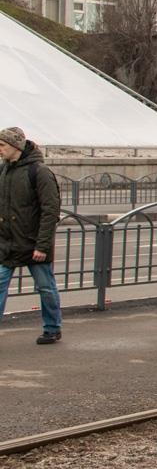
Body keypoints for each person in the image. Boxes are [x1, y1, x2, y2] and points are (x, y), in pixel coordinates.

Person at [0, 127, 63, 344]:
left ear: (15, 146)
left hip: (33, 244)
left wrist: (42, 246)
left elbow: (50, 211)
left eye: (2, 145)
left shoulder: (39, 171)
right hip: (7, 244)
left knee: (45, 287)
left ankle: (52, 328)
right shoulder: (3, 170)